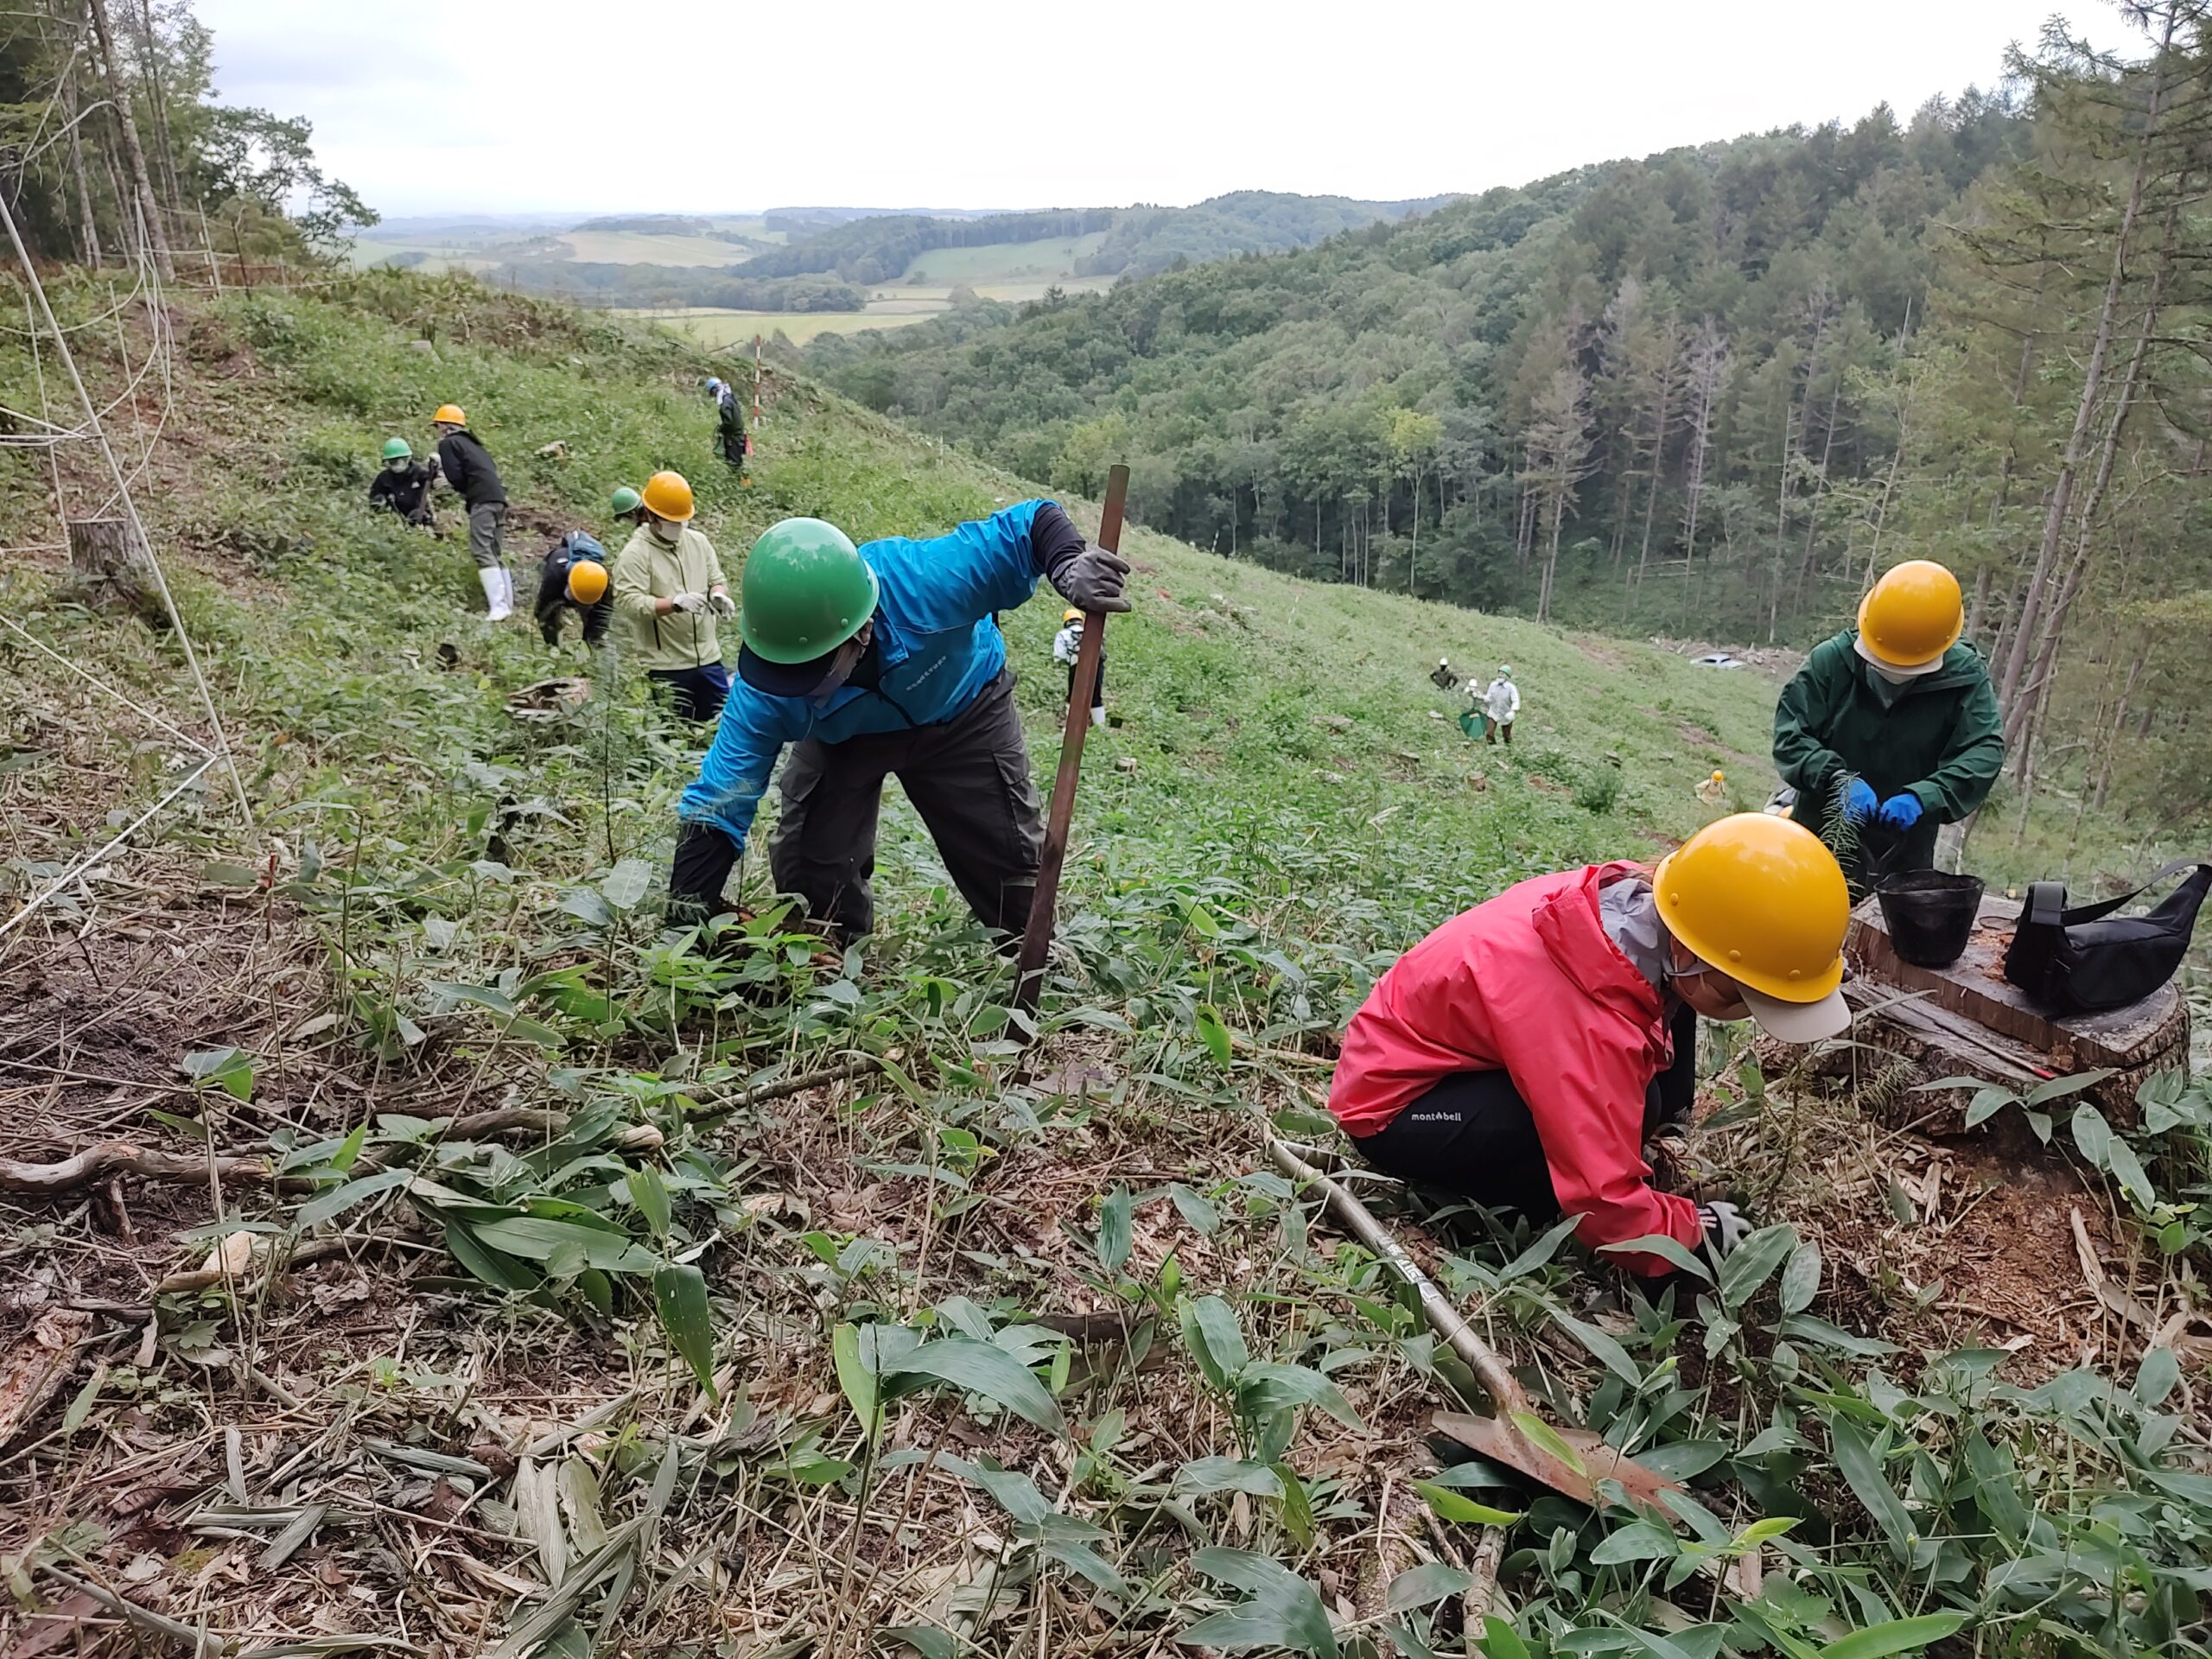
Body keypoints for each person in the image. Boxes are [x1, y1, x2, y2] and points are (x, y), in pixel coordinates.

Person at [1325, 813, 1853, 1280]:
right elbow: (1606, 1210)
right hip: (1396, 1107)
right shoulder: (1583, 1015)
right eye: (1742, 996)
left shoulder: (1648, 908)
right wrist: (1699, 1232)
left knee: (1645, 1102)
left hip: (1471, 1051)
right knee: (1586, 1151)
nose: (1745, 1013)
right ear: (1692, 957)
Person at [665, 501, 1131, 938]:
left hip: (964, 712)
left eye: (813, 671)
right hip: (840, 740)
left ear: (862, 631)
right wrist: (688, 910)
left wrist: (1068, 564)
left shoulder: (926, 583)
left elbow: (1031, 523)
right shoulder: (767, 688)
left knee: (1008, 865)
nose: (799, 686)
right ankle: (825, 972)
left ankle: (1034, 969)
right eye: (788, 673)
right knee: (812, 866)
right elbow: (720, 800)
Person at [1773, 559, 2004, 880]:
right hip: (1818, 837)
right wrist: (1836, 779)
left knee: (1883, 927)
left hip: (1904, 854)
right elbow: (1791, 736)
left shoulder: (1964, 679)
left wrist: (1924, 797)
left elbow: (1983, 751)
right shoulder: (1831, 662)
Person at [609, 470, 734, 721]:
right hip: (667, 665)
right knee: (676, 733)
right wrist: (675, 604)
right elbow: (629, 603)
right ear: (652, 516)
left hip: (708, 658)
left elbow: (716, 580)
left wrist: (719, 595)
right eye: (671, 521)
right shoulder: (635, 555)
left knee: (722, 727)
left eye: (682, 521)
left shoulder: (698, 543)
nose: (678, 527)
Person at [431, 404, 512, 620]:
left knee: (482, 550)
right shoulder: (475, 444)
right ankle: (508, 604)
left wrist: (445, 482)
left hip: (482, 501)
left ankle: (499, 607)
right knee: (495, 552)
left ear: (443, 425)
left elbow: (456, 476)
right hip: (499, 500)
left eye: (437, 425)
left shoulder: (448, 444)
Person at [533, 531, 613, 650]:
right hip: (558, 574)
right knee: (549, 618)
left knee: (595, 635)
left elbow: (600, 622)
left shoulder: (603, 584)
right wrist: (552, 646)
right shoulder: (553, 575)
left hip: (582, 589)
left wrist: (590, 647)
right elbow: (542, 613)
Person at [1052, 607, 1106, 728]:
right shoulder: (1090, 631)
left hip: (1076, 665)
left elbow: (1059, 656)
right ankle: (1100, 728)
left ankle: (1071, 726)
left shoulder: (1063, 634)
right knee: (1096, 696)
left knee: (1073, 696)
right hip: (1097, 664)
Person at [368, 439, 438, 526]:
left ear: (407, 459)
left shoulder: (420, 473)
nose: (395, 465)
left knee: (417, 516)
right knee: (378, 500)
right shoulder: (384, 477)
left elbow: (433, 483)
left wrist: (434, 471)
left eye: (397, 461)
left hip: (417, 513)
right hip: (393, 516)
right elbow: (374, 497)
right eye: (391, 462)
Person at [705, 376, 747, 473]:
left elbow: (729, 422)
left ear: (715, 390)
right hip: (739, 437)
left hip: (733, 438)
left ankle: (743, 484)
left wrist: (721, 428)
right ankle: (742, 483)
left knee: (734, 465)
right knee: (737, 463)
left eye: (713, 393)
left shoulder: (725, 403)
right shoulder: (731, 399)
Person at [1483, 664, 1520, 747]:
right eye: (1499, 673)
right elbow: (1489, 698)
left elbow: (1516, 701)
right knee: (1489, 733)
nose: (1500, 675)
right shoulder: (1493, 685)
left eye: (1503, 674)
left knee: (1506, 735)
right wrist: (1481, 697)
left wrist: (1513, 711)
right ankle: (1493, 748)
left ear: (1507, 676)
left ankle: (1509, 748)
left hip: (1506, 714)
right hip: (1493, 712)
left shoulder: (1511, 688)